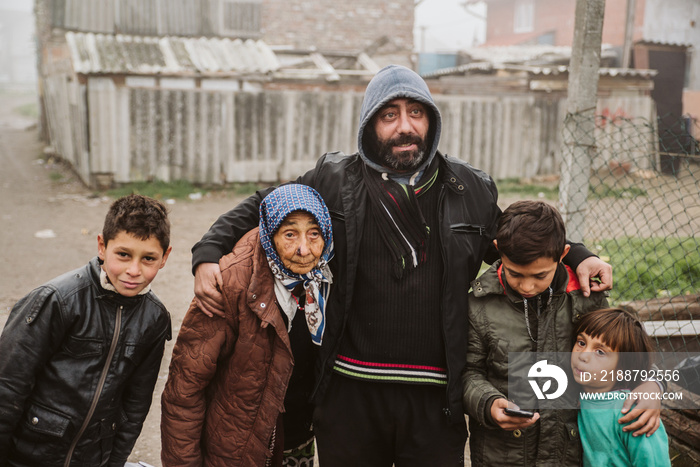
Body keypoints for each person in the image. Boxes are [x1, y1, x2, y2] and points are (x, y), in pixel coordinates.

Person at [189, 65, 613, 465]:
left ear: (432, 121)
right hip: (349, 390)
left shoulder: (470, 190)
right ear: (369, 125)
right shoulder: (332, 180)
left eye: (415, 113)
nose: (405, 126)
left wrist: (577, 253)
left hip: (434, 398)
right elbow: (265, 205)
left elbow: (516, 238)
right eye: (389, 115)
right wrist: (208, 253)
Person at [463, 201, 662, 466]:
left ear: (563, 254)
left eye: (540, 275)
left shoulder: (585, 298)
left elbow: (622, 352)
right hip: (501, 454)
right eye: (515, 274)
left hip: (568, 453)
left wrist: (652, 385)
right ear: (498, 249)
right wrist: (488, 403)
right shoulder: (479, 306)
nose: (527, 286)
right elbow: (467, 372)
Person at [161, 184, 333, 466]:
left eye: (314, 233)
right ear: (269, 233)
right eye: (289, 234)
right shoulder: (230, 285)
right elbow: (184, 391)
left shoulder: (325, 283)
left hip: (298, 441)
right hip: (237, 451)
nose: (304, 249)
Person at [0, 194, 172, 467]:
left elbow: (135, 406)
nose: (133, 270)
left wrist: (114, 462)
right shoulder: (58, 300)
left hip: (94, 458)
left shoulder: (155, 318)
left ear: (165, 257)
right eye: (124, 255)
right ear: (102, 247)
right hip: (29, 454)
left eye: (148, 258)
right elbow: (9, 386)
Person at [572, 308, 671, 467]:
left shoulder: (634, 411)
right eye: (581, 343)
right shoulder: (577, 399)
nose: (583, 355)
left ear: (622, 370)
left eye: (600, 352)